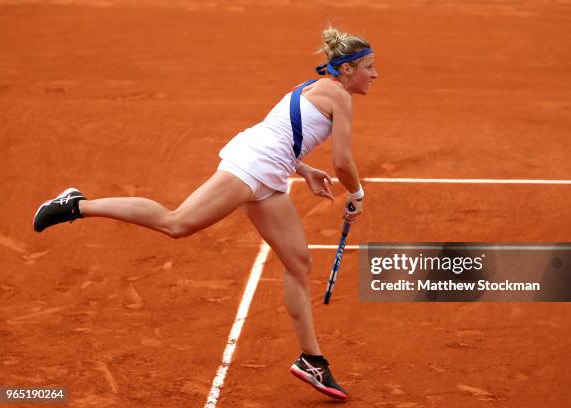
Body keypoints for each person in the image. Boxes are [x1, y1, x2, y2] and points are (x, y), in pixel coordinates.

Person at [33, 26, 378, 400]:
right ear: (346, 70)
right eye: (369, 67)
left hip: (272, 169)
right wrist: (356, 192)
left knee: (298, 263)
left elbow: (282, 133)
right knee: (176, 223)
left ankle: (312, 360)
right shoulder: (340, 97)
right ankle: (76, 204)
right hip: (253, 165)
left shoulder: (311, 88)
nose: (375, 75)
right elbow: (342, 161)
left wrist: (303, 169)